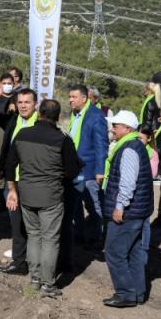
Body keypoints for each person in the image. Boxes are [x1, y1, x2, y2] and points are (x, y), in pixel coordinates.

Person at [5, 99, 79, 298]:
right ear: (57, 116)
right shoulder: (62, 139)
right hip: (51, 196)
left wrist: (12, 189)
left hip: (27, 193)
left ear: (39, 113)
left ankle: (35, 279)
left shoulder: (22, 134)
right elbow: (72, 171)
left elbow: (9, 165)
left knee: (34, 236)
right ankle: (48, 283)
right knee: (50, 240)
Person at [101, 110, 153, 308]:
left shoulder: (129, 149)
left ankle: (125, 293)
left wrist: (120, 206)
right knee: (134, 251)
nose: (112, 129)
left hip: (128, 212)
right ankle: (138, 292)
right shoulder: (135, 145)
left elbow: (128, 182)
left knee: (114, 251)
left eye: (116, 126)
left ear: (128, 128)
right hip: (138, 211)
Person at [0, 88, 38, 275]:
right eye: (20, 102)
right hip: (12, 181)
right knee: (16, 223)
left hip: (30, 182)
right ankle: (19, 262)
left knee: (33, 225)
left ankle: (35, 263)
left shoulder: (39, 124)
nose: (23, 105)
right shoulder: (15, 120)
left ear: (35, 104)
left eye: (27, 102)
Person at [66, 84, 108, 250]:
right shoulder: (75, 114)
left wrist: (100, 170)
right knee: (75, 201)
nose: (70, 100)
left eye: (74, 97)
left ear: (84, 98)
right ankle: (80, 233)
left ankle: (96, 237)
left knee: (93, 204)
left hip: (89, 169)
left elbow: (101, 146)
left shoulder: (96, 116)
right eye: (70, 97)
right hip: (75, 168)